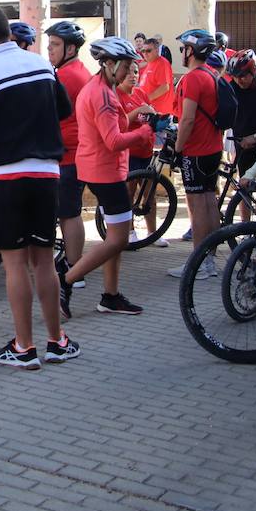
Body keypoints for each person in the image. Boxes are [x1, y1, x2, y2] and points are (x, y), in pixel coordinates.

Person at [0, 7, 76, 369]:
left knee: (14, 265)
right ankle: (57, 341)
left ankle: (24, 347)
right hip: (45, 174)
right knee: (44, 261)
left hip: (5, 177)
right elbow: (63, 109)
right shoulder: (41, 64)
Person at [54, 37, 154, 318]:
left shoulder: (98, 88)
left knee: (115, 234)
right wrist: (145, 133)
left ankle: (110, 296)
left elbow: (112, 125)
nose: (129, 72)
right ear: (109, 64)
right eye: (126, 66)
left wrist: (136, 121)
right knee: (118, 239)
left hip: (99, 169)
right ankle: (67, 278)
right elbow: (113, 140)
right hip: (106, 172)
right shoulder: (103, 95)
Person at [168, 29, 225, 277]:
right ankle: (209, 260)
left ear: (192, 50)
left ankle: (198, 262)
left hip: (196, 149)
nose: (182, 52)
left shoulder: (192, 79)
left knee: (197, 205)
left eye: (183, 48)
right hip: (213, 147)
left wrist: (178, 149)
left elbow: (187, 119)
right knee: (209, 200)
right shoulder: (211, 75)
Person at [45, 21, 91, 270]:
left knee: (69, 213)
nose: (49, 50)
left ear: (70, 49)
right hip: (72, 152)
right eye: (49, 44)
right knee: (68, 211)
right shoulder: (79, 70)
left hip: (68, 154)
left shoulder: (67, 76)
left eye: (55, 45)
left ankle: (75, 269)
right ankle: (74, 264)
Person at [225, 50, 256, 209]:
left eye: (242, 76)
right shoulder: (232, 87)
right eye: (235, 76)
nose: (239, 80)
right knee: (244, 186)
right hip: (244, 142)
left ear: (253, 71)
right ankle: (245, 226)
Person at [136, 35, 176, 118]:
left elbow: (164, 87)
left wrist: (146, 99)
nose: (145, 53)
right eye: (143, 51)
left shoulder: (162, 63)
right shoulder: (149, 63)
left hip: (161, 113)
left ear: (157, 50)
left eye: (148, 51)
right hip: (151, 111)